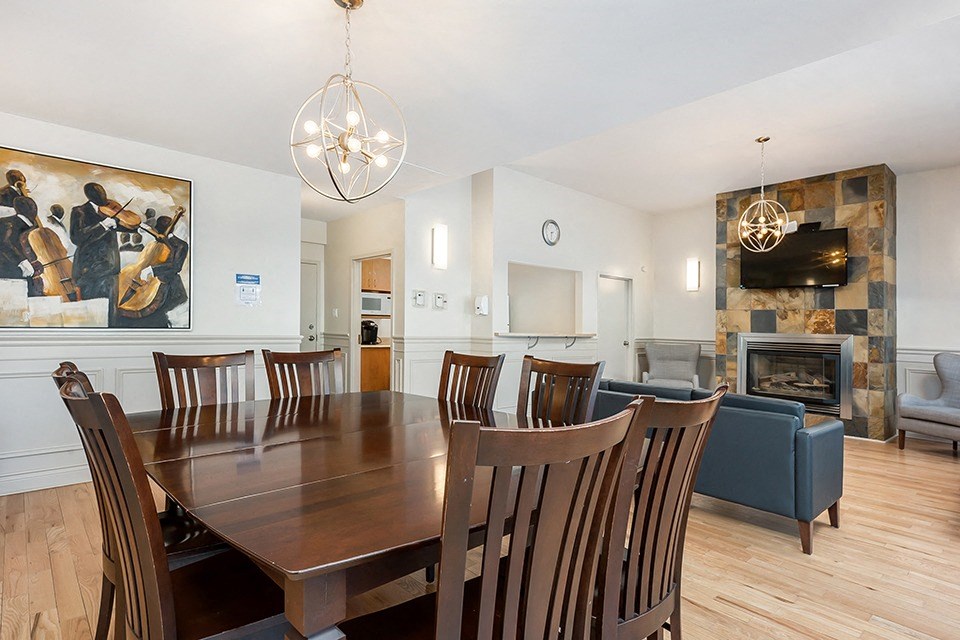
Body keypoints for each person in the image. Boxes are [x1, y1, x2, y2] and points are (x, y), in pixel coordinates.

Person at [117, 214, 189, 328]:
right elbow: (142, 262)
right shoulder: (153, 243)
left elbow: (175, 267)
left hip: (166, 286)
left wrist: (152, 270)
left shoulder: (180, 246)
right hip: (146, 280)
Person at [70, 182, 120, 321]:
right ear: (90, 196)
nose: (103, 196)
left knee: (111, 313)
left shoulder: (111, 211)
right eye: (99, 194)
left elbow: (128, 225)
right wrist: (102, 226)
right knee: (92, 313)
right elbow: (77, 237)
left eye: (103, 192)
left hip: (111, 267)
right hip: (90, 269)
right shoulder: (79, 211)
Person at [0, 196, 42, 294]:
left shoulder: (34, 226)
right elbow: (4, 244)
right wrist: (21, 261)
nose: (34, 209)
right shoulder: (7, 223)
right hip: (10, 271)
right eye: (31, 206)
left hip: (29, 272)